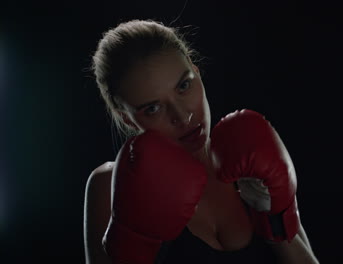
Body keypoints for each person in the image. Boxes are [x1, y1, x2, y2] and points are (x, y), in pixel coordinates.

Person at [83, 19, 320, 264]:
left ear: (196, 73)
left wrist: (274, 222)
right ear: (128, 119)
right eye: (152, 108)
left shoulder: (247, 154)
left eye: (184, 86)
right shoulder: (108, 187)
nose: (182, 115)